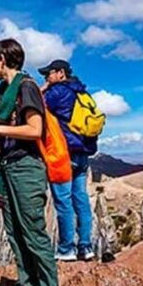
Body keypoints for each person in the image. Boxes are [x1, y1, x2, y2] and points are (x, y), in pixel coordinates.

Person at [0, 38, 62, 286]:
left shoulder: (25, 87)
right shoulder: (3, 92)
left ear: (3, 58)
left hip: (26, 168)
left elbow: (35, 129)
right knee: (14, 232)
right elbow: (13, 132)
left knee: (34, 233)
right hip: (7, 166)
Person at [38, 59, 98, 261]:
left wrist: (44, 88)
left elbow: (32, 104)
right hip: (83, 156)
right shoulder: (83, 93)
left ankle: (66, 250)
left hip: (64, 155)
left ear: (61, 73)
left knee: (63, 203)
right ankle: (86, 247)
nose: (46, 77)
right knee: (81, 201)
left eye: (49, 73)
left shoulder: (57, 92)